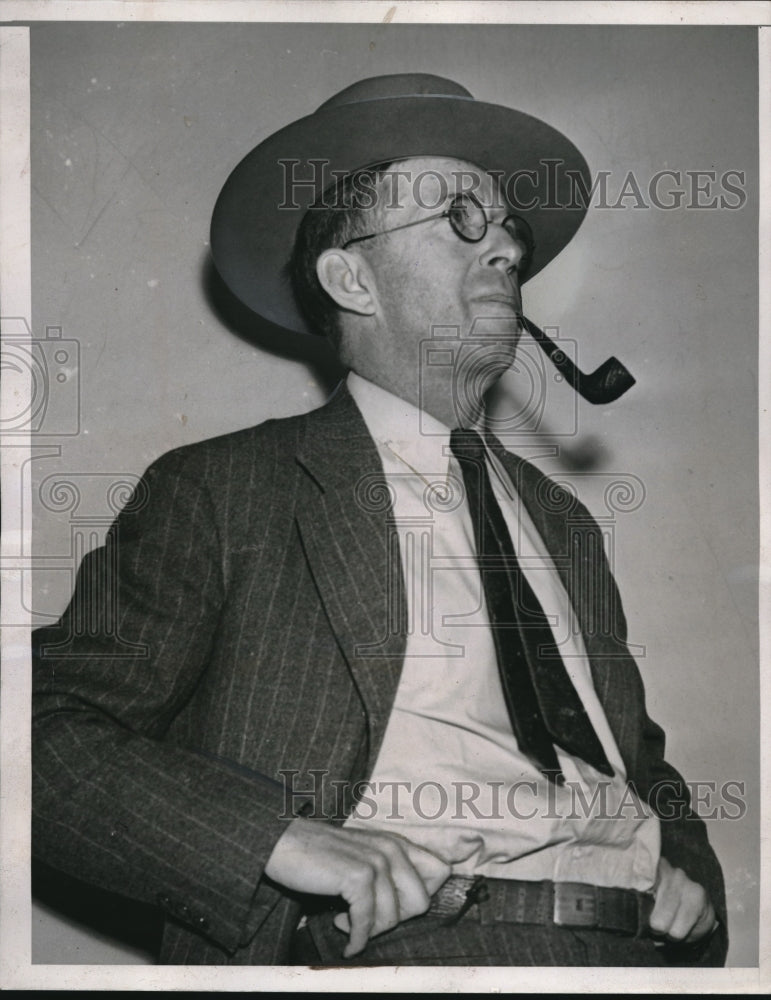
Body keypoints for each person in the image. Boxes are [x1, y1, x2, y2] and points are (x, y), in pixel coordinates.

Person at [32, 73, 727, 967]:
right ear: (350, 277)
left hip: (633, 956)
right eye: (460, 219)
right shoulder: (226, 489)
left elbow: (634, 757)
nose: (507, 250)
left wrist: (684, 860)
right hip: (402, 950)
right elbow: (36, 735)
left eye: (507, 225)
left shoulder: (562, 522)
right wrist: (273, 841)